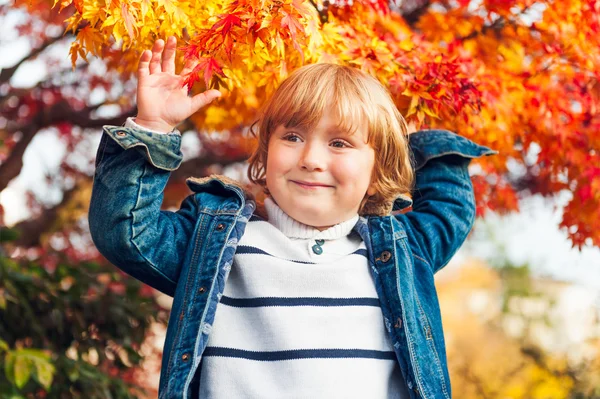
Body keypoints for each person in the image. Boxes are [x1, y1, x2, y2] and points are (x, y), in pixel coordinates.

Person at [89, 36, 496, 399]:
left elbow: (449, 210)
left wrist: (424, 137)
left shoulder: (402, 250)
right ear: (265, 155)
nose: (311, 159)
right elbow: (127, 233)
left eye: (340, 143)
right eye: (293, 137)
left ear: (378, 173)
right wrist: (153, 128)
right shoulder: (216, 242)